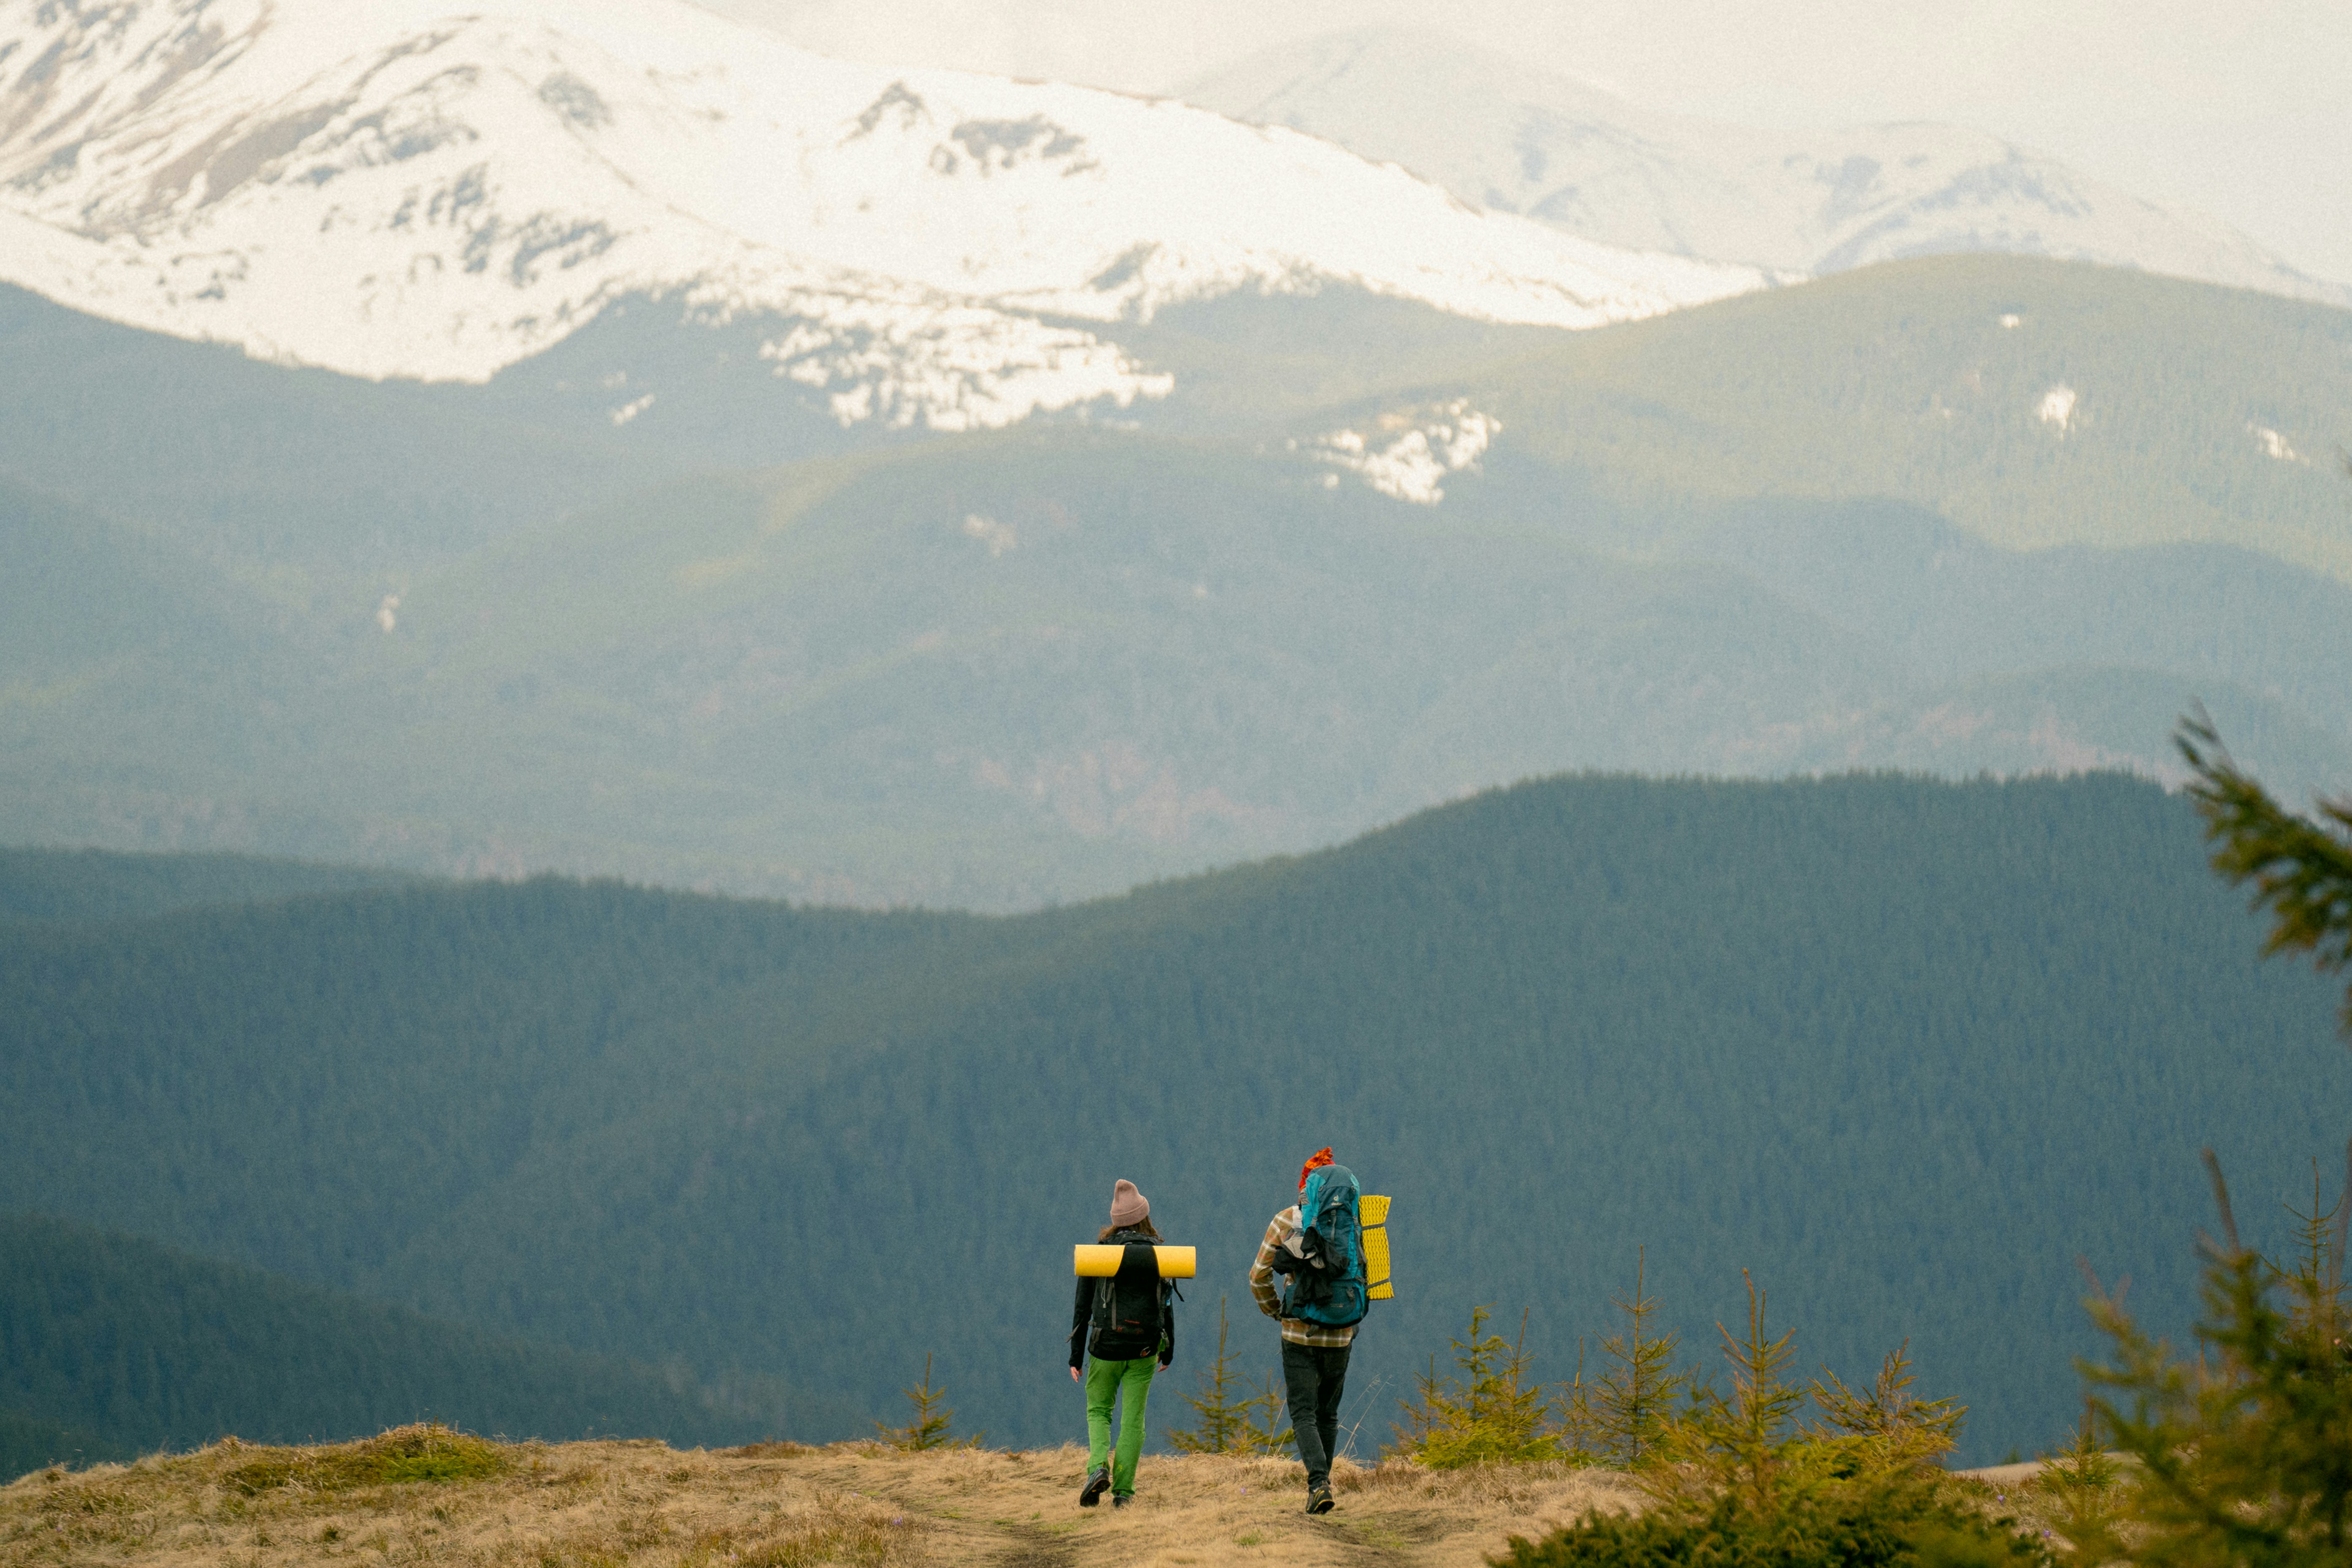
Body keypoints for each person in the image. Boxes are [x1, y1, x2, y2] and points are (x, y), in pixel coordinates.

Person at [1249, 1146, 1360, 1515]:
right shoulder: (1354, 1221)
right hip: (1342, 1331)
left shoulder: (1287, 1221)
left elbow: (1258, 1276)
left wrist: (1275, 1311)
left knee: (1303, 1412)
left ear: (1307, 1188)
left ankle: (1318, 1484)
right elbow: (1366, 1273)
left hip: (1298, 1333)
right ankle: (1322, 1485)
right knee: (1328, 1413)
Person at [1070, 1178, 1175, 1509]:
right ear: (1144, 1217)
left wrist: (1075, 1355)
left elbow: (1082, 1306)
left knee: (1099, 1410)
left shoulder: (1098, 1255)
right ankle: (1124, 1494)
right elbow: (1166, 1304)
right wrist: (1169, 1349)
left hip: (1104, 1348)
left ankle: (1098, 1467)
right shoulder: (1159, 1254)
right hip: (1144, 1349)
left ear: (1115, 1220)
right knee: (1133, 1420)